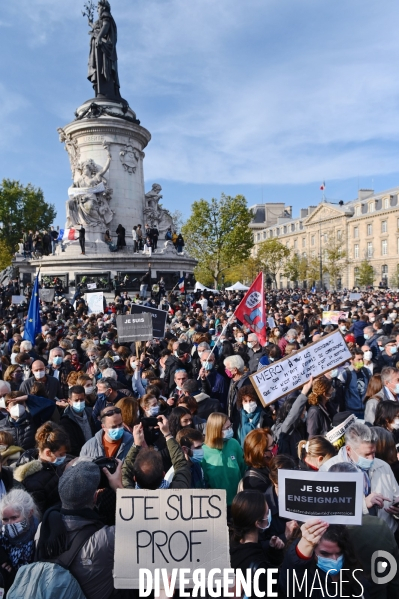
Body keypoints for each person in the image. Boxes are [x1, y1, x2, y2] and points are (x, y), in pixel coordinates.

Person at [35, 459, 119, 599]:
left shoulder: (43, 528)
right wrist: (119, 488)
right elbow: (143, 527)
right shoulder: (106, 539)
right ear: (95, 497)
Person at [320, 422, 399, 532]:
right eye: (366, 454)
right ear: (348, 449)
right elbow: (327, 510)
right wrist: (363, 505)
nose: (371, 459)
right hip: (351, 540)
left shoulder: (383, 466)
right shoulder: (328, 469)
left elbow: (396, 495)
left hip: (386, 536)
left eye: (374, 453)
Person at [279, 519, 366, 598]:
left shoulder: (352, 573)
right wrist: (306, 544)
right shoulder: (306, 580)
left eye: (339, 553)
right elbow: (292, 583)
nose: (334, 559)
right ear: (311, 551)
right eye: (325, 554)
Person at [229, 490, 284, 599]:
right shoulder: (260, 568)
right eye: (267, 512)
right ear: (258, 523)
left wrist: (273, 551)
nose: (269, 515)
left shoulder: (228, 546)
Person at [14, 422, 70, 514]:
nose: (64, 457)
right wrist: (65, 475)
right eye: (61, 454)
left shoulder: (52, 462)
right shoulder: (33, 481)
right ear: (48, 453)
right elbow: (42, 512)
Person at [122, 415, 191, 489]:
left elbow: (125, 473)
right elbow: (181, 464)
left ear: (134, 478)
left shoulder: (130, 495)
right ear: (163, 474)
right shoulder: (178, 490)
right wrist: (167, 434)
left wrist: (136, 444)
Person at [202, 412, 246, 509]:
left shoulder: (234, 443)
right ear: (215, 430)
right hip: (215, 506)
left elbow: (243, 467)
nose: (230, 430)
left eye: (230, 426)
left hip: (238, 502)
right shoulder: (203, 452)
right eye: (226, 428)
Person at [0, 489, 40, 593]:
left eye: (14, 518)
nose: (9, 524)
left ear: (29, 513)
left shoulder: (41, 536)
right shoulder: (2, 539)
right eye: (5, 519)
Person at [272, 377, 313, 456]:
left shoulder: (298, 427)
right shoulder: (283, 429)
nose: (305, 413)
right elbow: (293, 416)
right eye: (302, 411)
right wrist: (303, 393)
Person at [60, 385, 96, 456]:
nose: (79, 402)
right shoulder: (66, 421)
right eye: (76, 400)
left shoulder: (91, 413)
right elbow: (72, 446)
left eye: (82, 399)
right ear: (69, 401)